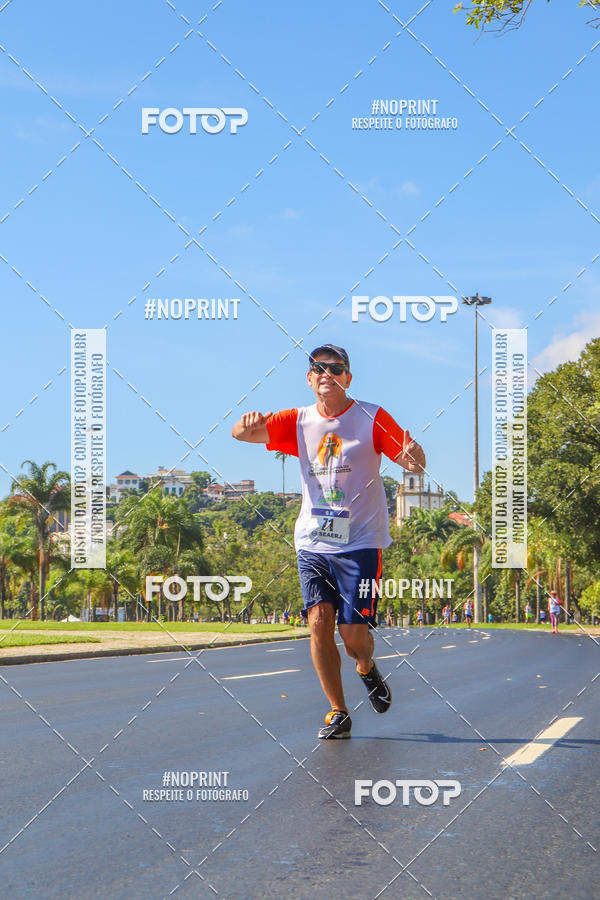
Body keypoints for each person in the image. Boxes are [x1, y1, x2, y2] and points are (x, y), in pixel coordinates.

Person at [232, 344, 425, 739]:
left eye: (335, 368)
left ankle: (366, 668)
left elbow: (413, 462)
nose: (327, 373)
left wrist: (413, 456)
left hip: (361, 543)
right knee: (319, 623)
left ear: (347, 378)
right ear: (309, 378)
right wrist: (246, 422)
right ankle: (338, 711)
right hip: (313, 541)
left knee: (353, 637)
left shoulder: (371, 417)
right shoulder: (298, 420)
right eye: (318, 368)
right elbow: (241, 434)